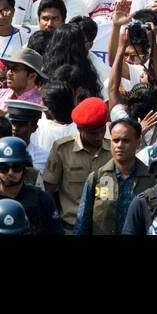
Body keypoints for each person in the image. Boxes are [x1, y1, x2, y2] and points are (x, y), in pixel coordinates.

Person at [0, 136, 62, 235]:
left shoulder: (42, 200)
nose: (10, 173)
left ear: (24, 168)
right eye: (4, 167)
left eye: (16, 167)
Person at [74, 116, 154, 235]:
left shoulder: (151, 180)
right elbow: (82, 223)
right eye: (115, 140)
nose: (120, 145)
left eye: (126, 140)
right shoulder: (97, 178)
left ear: (138, 142)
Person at [43, 95, 111, 231]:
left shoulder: (113, 150)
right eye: (93, 133)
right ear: (79, 129)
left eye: (102, 130)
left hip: (104, 228)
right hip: (70, 227)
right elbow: (48, 190)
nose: (99, 137)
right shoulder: (62, 149)